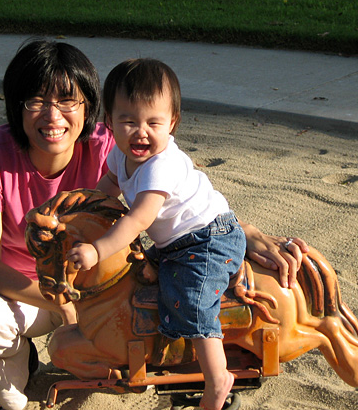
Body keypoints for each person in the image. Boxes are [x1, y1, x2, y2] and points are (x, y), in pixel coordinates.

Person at [0, 38, 308, 410]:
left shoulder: (116, 145)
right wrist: (62, 301)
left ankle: (196, 375)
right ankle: (18, 363)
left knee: (173, 299)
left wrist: (246, 233)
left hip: (101, 289)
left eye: (68, 101)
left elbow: (183, 199)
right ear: (16, 105)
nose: (53, 117)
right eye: (36, 101)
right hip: (28, 293)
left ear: (88, 108)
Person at [68, 58, 246, 410]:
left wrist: (96, 250)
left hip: (208, 238)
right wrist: (85, 208)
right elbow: (107, 188)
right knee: (139, 276)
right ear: (110, 124)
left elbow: (136, 220)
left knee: (194, 301)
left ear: (172, 124)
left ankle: (217, 378)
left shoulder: (161, 166)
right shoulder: (121, 156)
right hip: (173, 243)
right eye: (128, 121)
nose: (141, 132)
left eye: (154, 122)